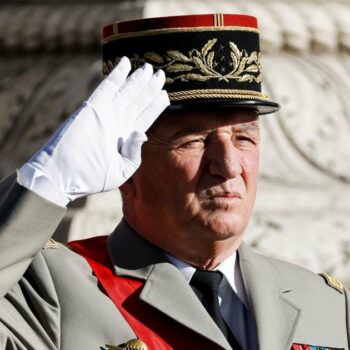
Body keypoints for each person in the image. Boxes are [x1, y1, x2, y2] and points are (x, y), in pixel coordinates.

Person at [0, 13, 349, 350]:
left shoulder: (322, 301)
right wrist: (47, 183)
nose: (228, 166)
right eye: (194, 140)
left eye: (244, 138)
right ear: (126, 160)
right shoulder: (51, 287)